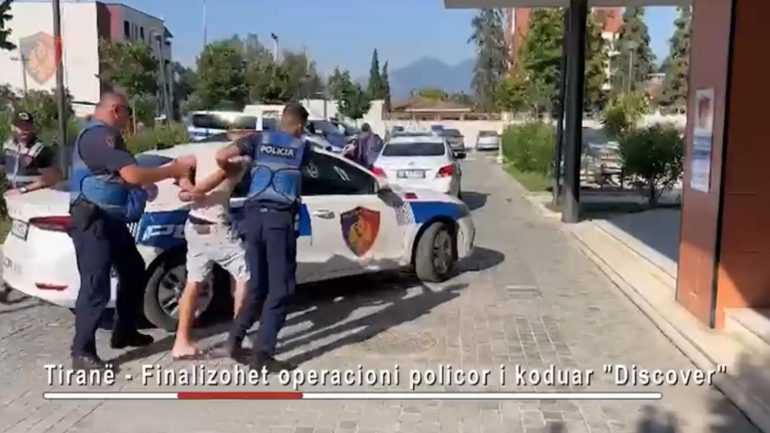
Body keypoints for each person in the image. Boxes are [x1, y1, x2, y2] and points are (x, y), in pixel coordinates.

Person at [69, 92, 195, 371]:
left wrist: (140, 186)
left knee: (133, 269)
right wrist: (173, 169)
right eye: (127, 112)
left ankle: (124, 331)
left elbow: (115, 176)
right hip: (93, 218)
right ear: (116, 110)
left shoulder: (99, 135)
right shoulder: (100, 135)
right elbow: (132, 174)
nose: (129, 119)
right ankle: (82, 352)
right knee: (95, 285)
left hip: (108, 217)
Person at [216, 103, 310, 372]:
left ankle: (234, 341)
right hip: (279, 220)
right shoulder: (302, 147)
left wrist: (232, 170)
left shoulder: (258, 140)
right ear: (299, 126)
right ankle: (262, 355)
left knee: (257, 286)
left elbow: (222, 154)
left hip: (253, 218)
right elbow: (303, 169)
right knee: (280, 288)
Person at [171, 140, 251, 360]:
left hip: (194, 224)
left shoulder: (200, 151)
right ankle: (239, 337)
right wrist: (193, 190)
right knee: (245, 275)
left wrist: (187, 187)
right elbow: (207, 184)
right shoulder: (240, 159)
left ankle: (181, 343)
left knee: (194, 282)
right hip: (215, 228)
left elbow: (179, 172)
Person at [0, 111, 63, 303]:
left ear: (34, 128)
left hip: (34, 201)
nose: (24, 131)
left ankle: (44, 280)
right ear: (13, 127)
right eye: (20, 127)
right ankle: (12, 280)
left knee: (34, 243)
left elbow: (52, 177)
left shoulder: (40, 150)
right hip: (15, 203)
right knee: (17, 242)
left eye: (28, 127)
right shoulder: (8, 146)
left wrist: (24, 190)